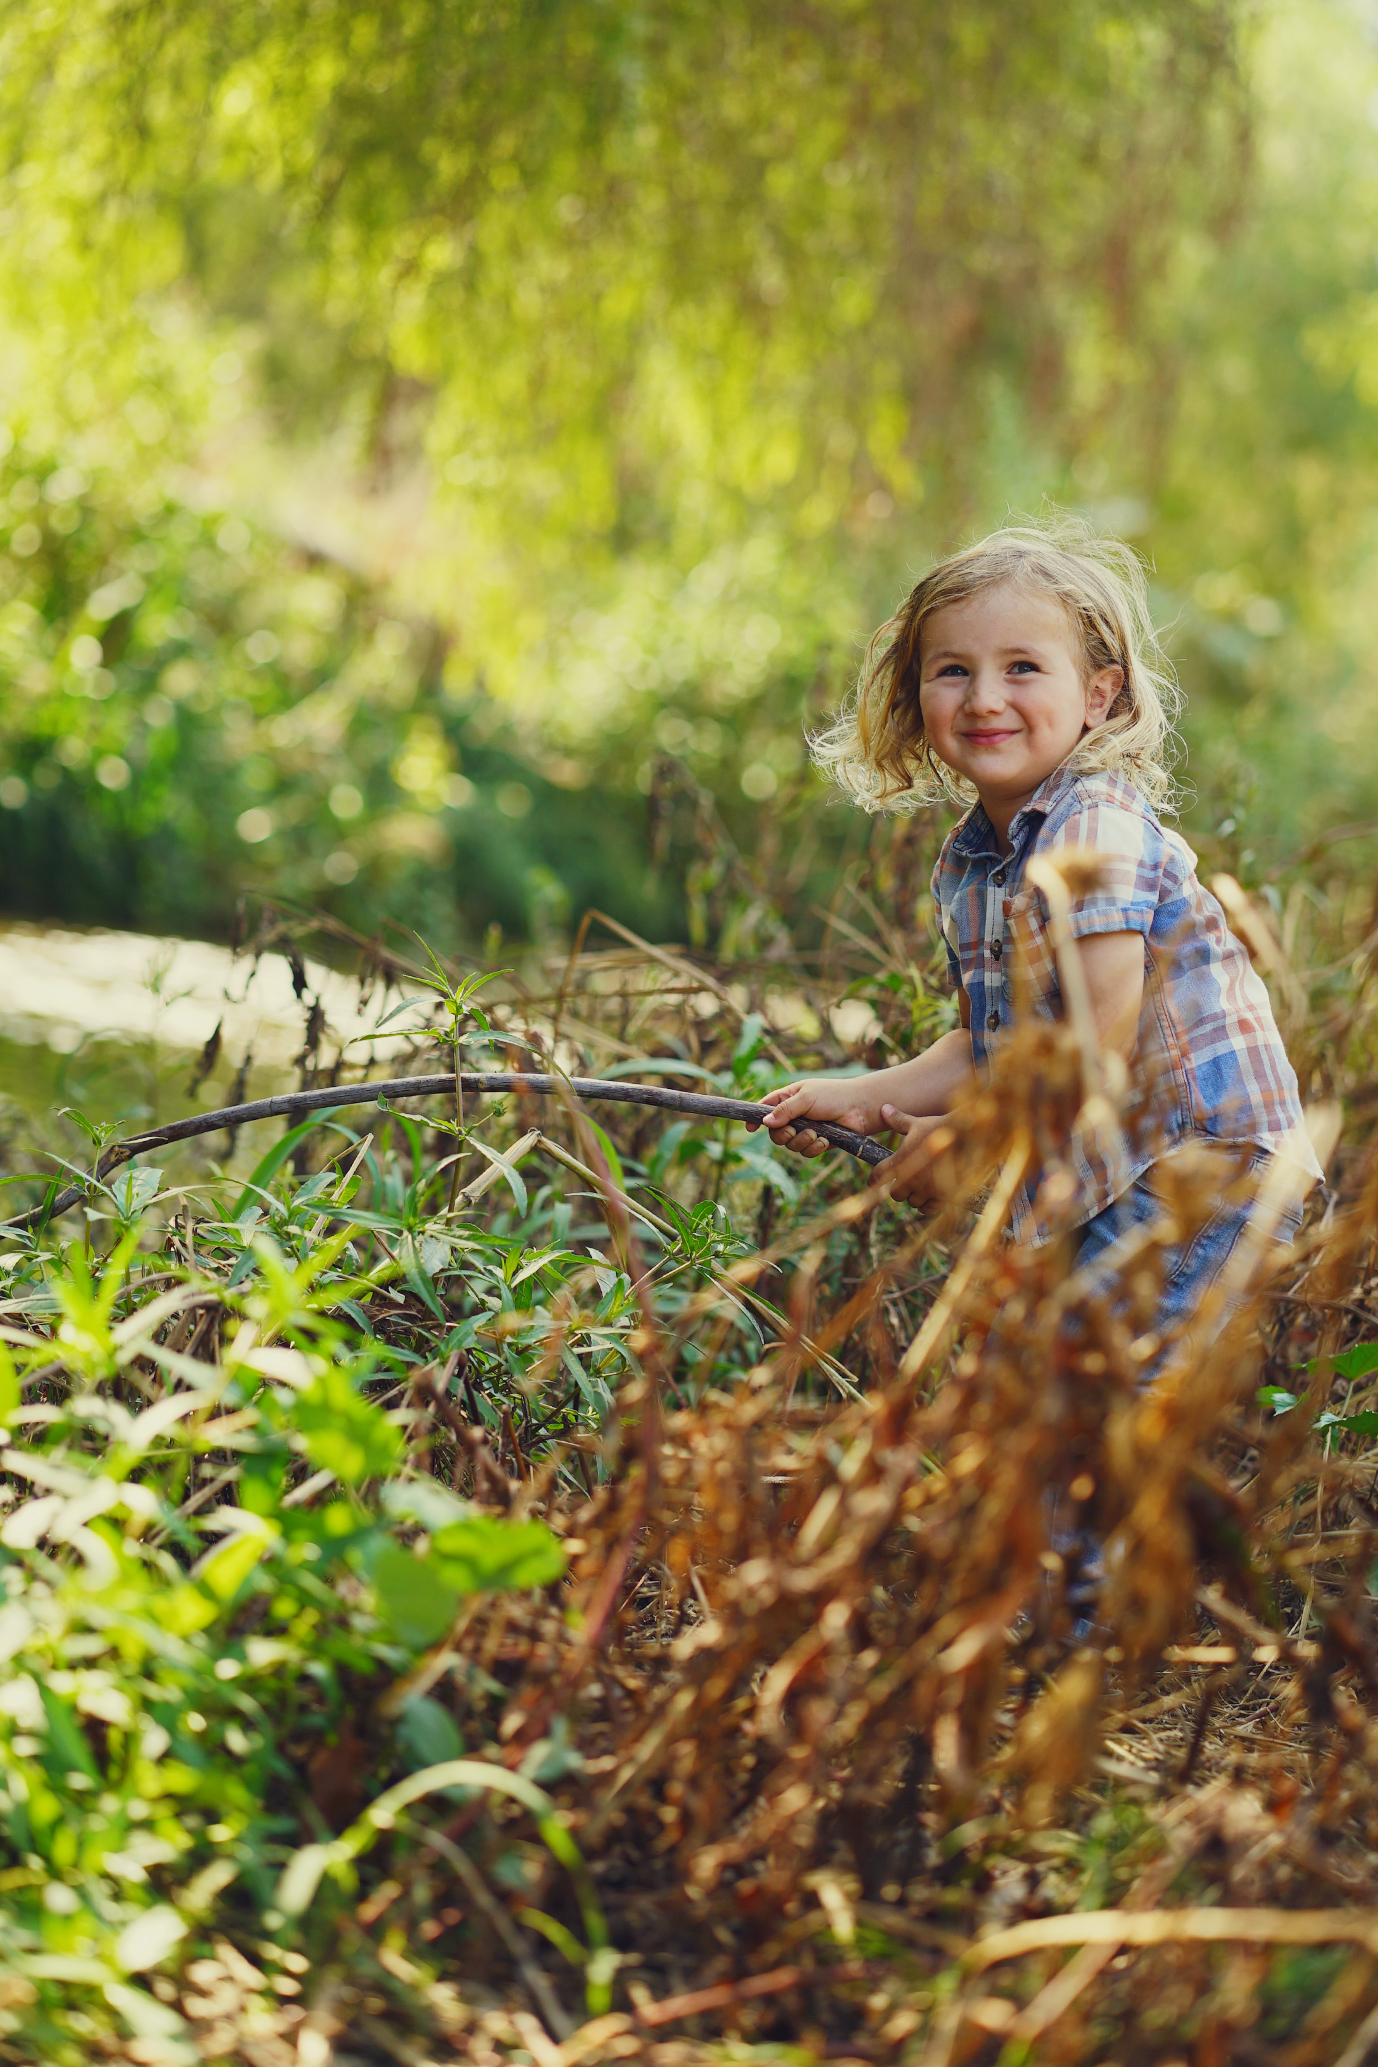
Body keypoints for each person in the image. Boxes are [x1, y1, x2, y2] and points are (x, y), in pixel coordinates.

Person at [756, 515, 1321, 1339]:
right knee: (1052, 1396)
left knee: (1105, 1402)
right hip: (1113, 1169)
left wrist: (969, 1143)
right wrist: (861, 1098)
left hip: (1197, 1163)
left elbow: (1094, 1044)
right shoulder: (971, 863)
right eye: (953, 669)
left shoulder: (1093, 823)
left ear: (1098, 695)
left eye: (1022, 666)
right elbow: (988, 1047)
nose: (985, 697)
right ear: (916, 694)